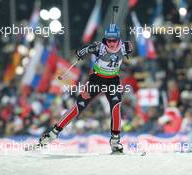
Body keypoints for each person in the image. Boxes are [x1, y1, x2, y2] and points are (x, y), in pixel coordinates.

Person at [38, 24, 133, 153]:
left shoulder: (124, 46)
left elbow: (129, 49)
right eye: (109, 40)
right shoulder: (100, 47)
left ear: (118, 38)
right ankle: (53, 133)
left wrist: (129, 49)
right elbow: (85, 49)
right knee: (79, 106)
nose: (111, 43)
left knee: (116, 107)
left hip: (113, 81)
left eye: (114, 40)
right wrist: (82, 51)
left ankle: (115, 141)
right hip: (96, 80)